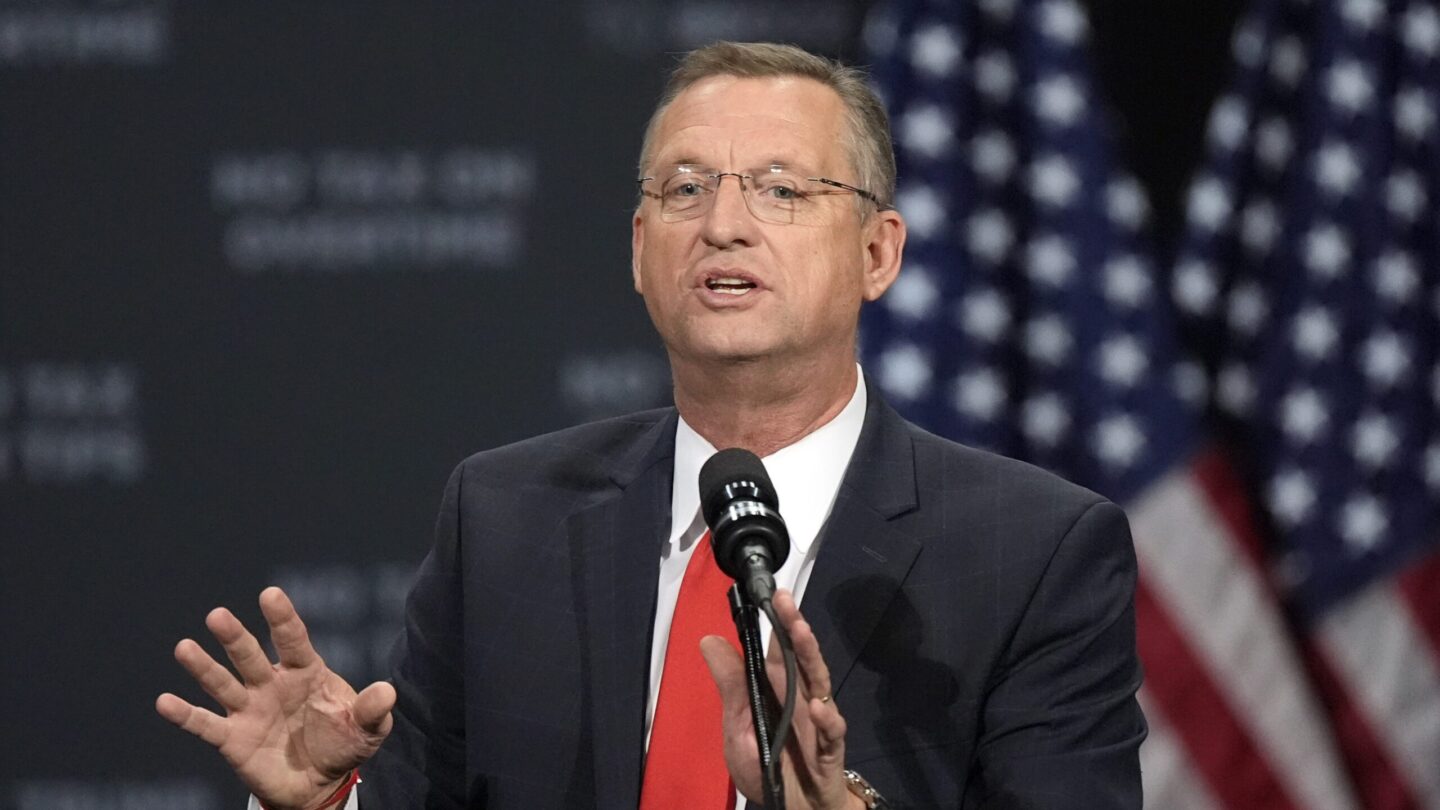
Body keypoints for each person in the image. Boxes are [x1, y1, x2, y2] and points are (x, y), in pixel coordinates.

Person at [157, 42, 1146, 809]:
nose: (723, 223)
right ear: (640, 251)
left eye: (781, 189)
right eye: (685, 188)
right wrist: (327, 798)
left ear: (879, 253)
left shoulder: (1034, 554)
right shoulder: (505, 519)